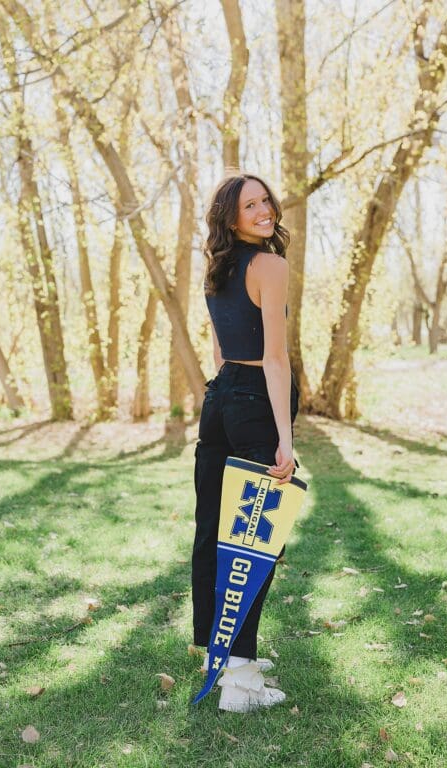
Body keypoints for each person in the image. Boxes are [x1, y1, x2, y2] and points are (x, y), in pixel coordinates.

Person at [193, 173, 298, 713]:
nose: (263, 211)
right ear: (231, 217)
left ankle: (223, 650)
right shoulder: (271, 266)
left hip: (222, 397)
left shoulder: (217, 266)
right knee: (255, 539)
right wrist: (284, 436)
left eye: (265, 201)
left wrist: (229, 397)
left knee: (214, 528)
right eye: (249, 205)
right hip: (257, 399)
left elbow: (218, 350)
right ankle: (240, 682)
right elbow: (275, 358)